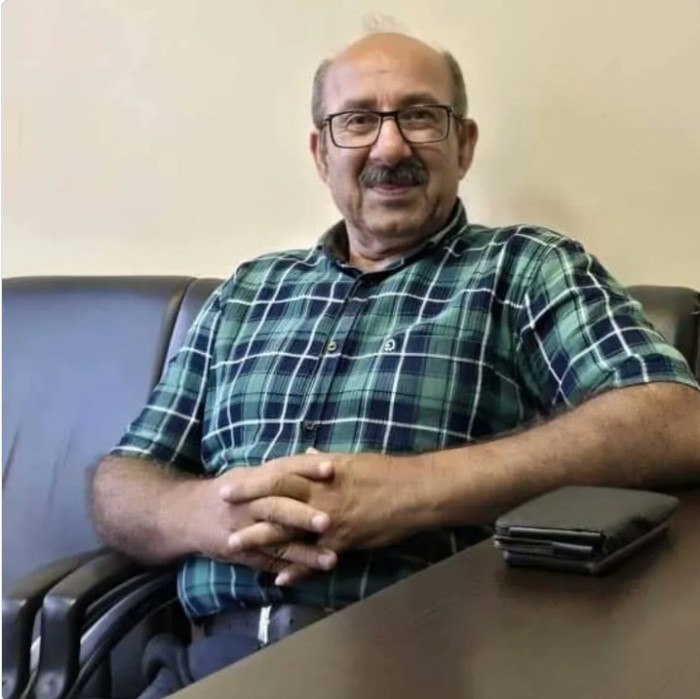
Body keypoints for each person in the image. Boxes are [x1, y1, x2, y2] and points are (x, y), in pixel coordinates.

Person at [91, 31, 700, 697]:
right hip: (209, 666)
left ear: (463, 144)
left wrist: (412, 490)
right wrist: (202, 513)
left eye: (419, 116)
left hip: (426, 660)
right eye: (358, 120)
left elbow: (675, 420)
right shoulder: (249, 291)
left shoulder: (526, 268)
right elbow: (121, 481)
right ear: (321, 153)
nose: (389, 147)